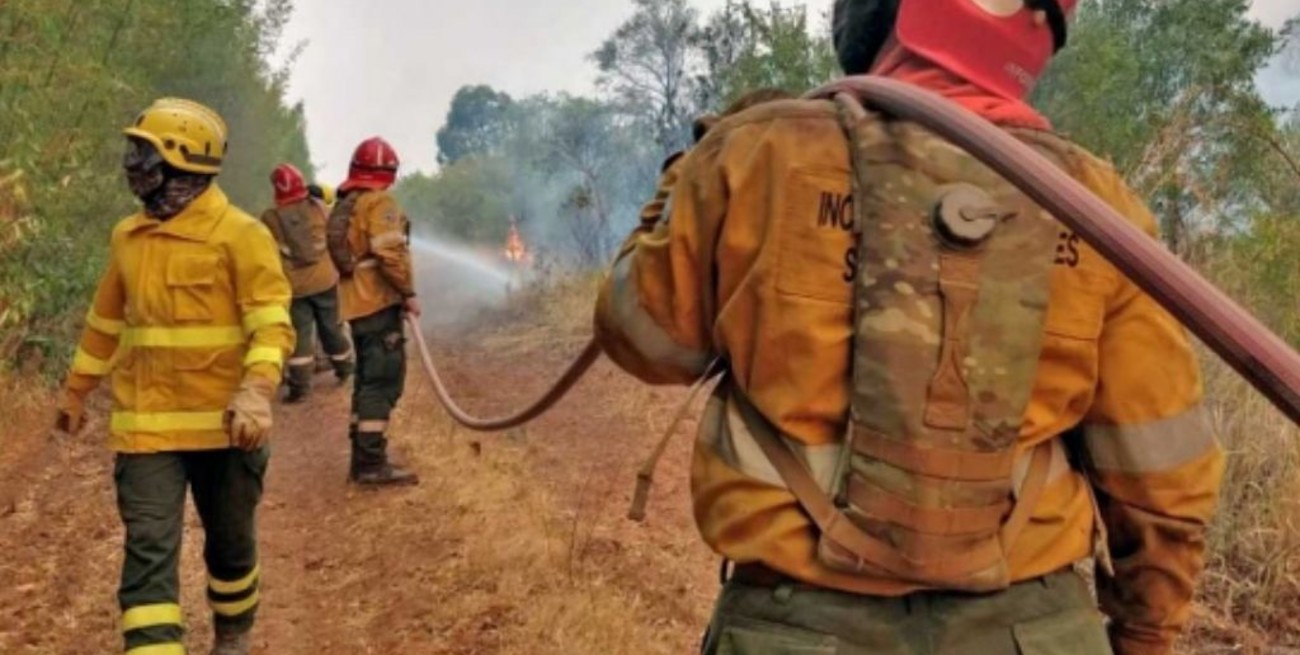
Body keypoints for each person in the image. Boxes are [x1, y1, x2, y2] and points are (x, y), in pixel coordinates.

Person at [593, 2, 1223, 654]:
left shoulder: (756, 153)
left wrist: (688, 172)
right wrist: (1144, 637)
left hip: (794, 630)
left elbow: (643, 339)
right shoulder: (1097, 206)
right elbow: (1163, 482)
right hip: (1033, 633)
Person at [54, 98, 294, 655]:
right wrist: (76, 390)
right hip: (147, 433)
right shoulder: (127, 238)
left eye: (145, 153)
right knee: (147, 553)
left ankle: (232, 636)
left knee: (231, 548)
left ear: (182, 162)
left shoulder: (241, 236)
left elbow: (272, 323)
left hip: (227, 430)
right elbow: (104, 322)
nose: (131, 163)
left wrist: (257, 391)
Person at [326, 136, 420, 487]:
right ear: (389, 172)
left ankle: (361, 459)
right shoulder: (379, 203)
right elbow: (390, 253)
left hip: (357, 303)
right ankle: (370, 465)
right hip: (378, 302)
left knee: (367, 380)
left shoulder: (349, 203)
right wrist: (408, 293)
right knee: (382, 381)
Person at [260, 163, 354, 402]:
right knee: (331, 327)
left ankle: (300, 388)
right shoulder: (317, 208)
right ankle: (345, 371)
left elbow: (264, 249)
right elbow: (336, 223)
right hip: (325, 280)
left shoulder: (270, 218)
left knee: (299, 335)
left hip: (295, 287)